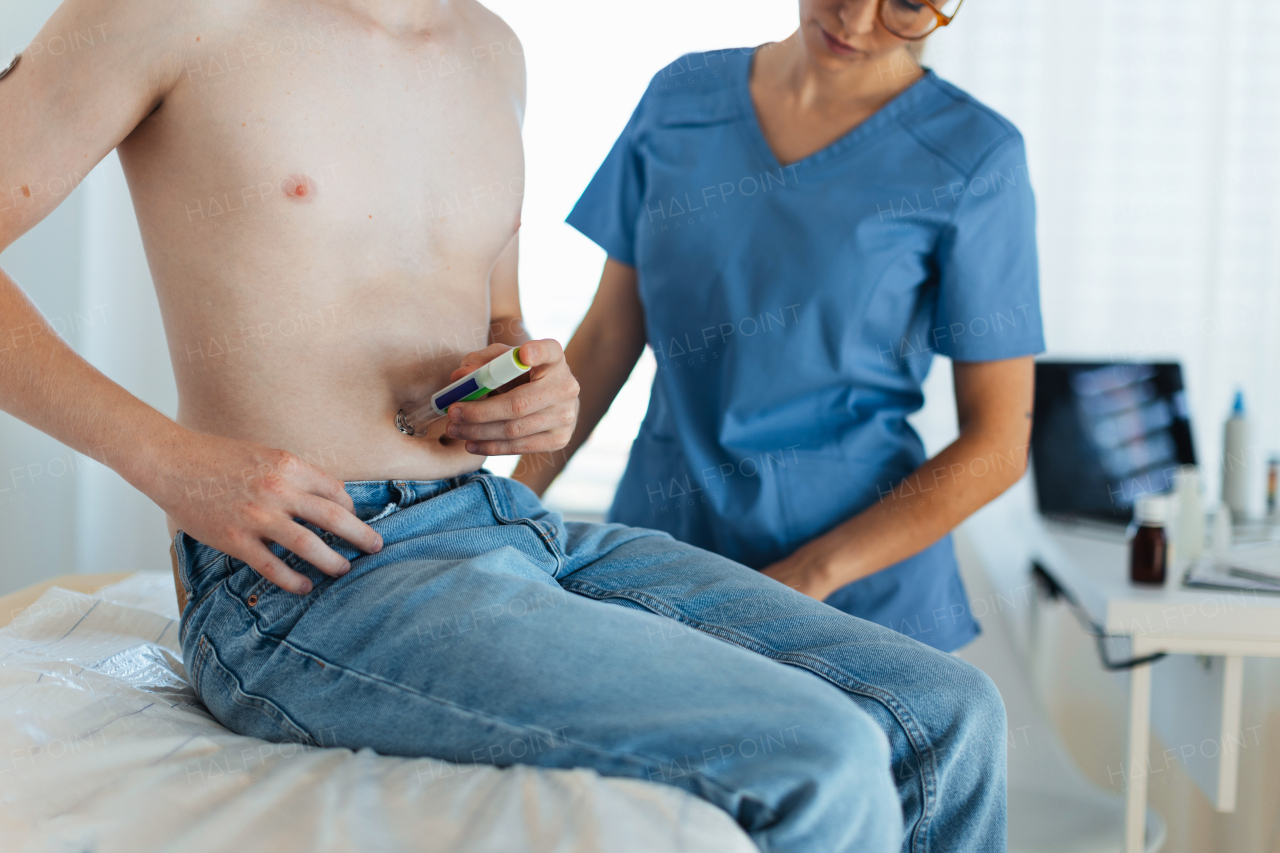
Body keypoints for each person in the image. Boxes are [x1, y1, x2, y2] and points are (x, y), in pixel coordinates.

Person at [0, 0, 1007, 850]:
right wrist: (168, 463)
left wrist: (533, 384)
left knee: (948, 716)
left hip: (500, 520)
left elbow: (497, 330)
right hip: (317, 574)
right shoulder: (172, 12)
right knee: (815, 756)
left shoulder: (492, 52)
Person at [516, 0, 1043, 653]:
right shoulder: (680, 98)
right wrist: (505, 511)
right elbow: (606, 338)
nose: (853, 18)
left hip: (853, 601)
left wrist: (809, 574)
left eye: (905, 3)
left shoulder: (973, 157)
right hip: (662, 558)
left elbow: (998, 441)